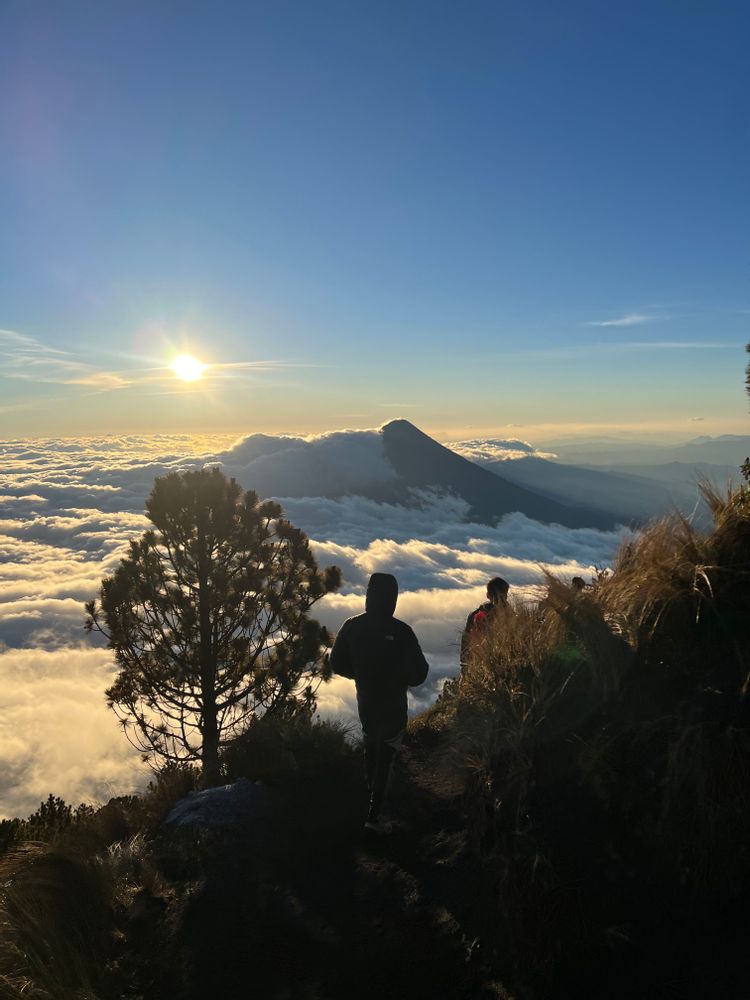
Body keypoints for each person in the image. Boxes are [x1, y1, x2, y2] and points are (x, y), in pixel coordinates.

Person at [330, 572, 429, 835]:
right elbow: (420, 673)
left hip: (366, 701)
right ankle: (375, 816)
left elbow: (336, 663)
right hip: (393, 705)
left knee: (371, 744)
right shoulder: (402, 631)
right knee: (386, 753)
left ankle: (370, 799)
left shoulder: (351, 626)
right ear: (393, 598)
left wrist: (361, 674)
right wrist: (398, 678)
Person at [460, 577, 510, 667]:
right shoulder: (512, 617)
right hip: (504, 665)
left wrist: (465, 667)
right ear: (506, 594)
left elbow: (466, 643)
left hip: (478, 665)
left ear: (488, 595)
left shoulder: (474, 615)